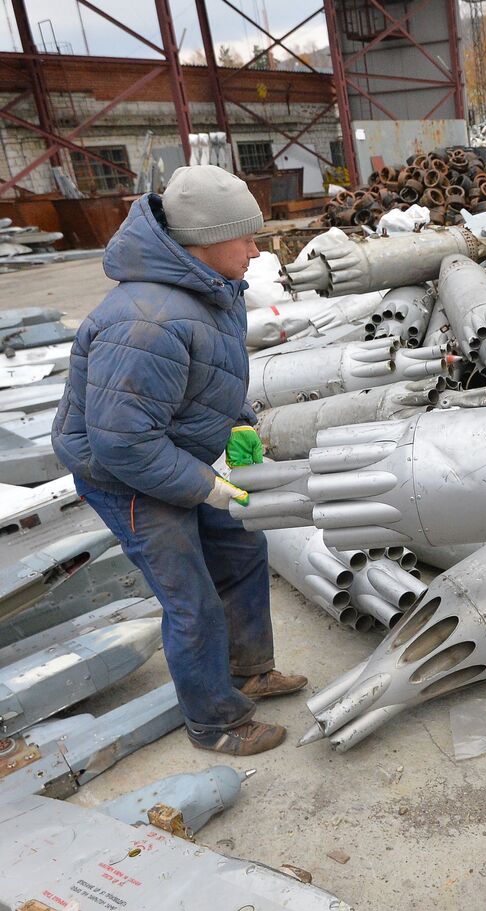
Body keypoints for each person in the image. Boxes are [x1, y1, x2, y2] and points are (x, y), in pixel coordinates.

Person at [53, 165, 306, 755]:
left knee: (242, 547)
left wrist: (239, 428)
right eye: (246, 238)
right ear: (204, 240)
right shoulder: (146, 322)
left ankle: (247, 670)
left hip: (169, 453)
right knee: (191, 599)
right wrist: (206, 486)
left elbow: (209, 376)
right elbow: (124, 444)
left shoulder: (212, 289)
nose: (256, 251)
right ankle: (214, 722)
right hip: (122, 477)